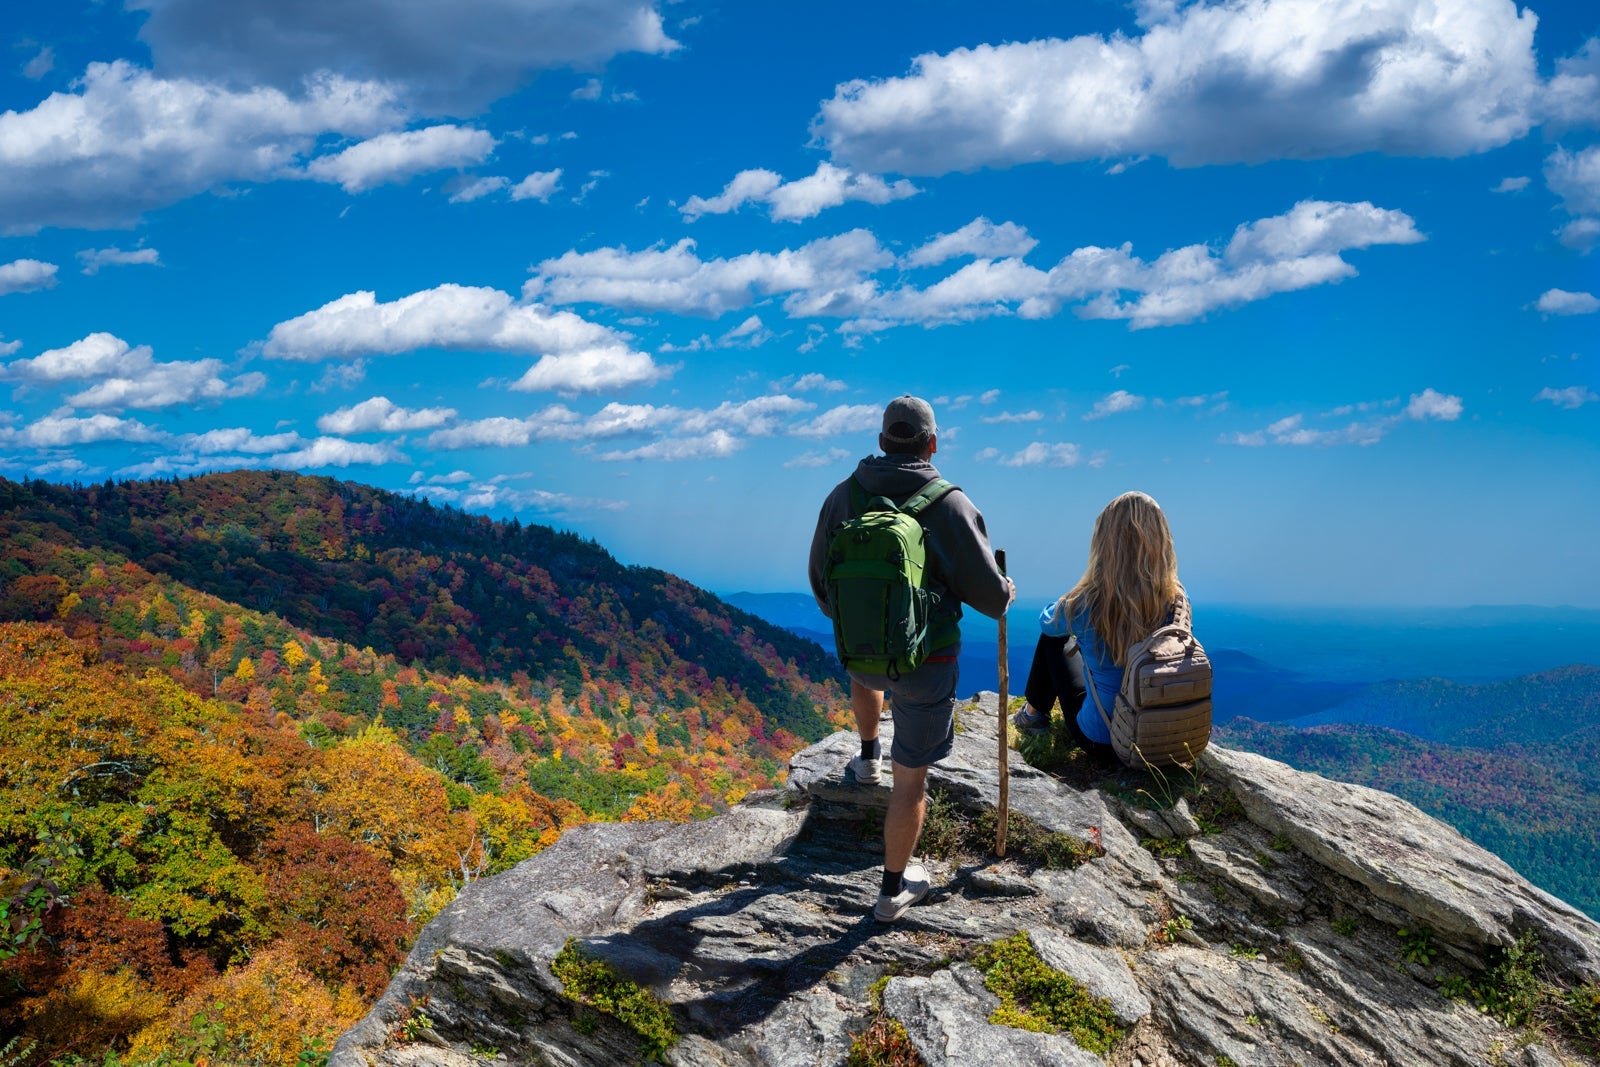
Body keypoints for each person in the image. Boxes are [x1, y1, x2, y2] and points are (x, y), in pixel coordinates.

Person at [808, 395, 1014, 922]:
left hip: (860, 655)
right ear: (932, 443)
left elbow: (821, 582)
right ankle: (892, 891)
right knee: (912, 782)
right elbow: (991, 599)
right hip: (929, 662)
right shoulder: (950, 505)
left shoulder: (843, 497)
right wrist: (1005, 590)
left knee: (867, 667)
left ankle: (867, 755)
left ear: (881, 442)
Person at [1012, 490, 1184, 765]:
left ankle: (1033, 716)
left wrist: (1081, 589)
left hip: (1103, 740)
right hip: (1163, 739)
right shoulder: (1177, 601)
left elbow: (1047, 622)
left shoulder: (1089, 601)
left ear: (1105, 543)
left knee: (1053, 641)